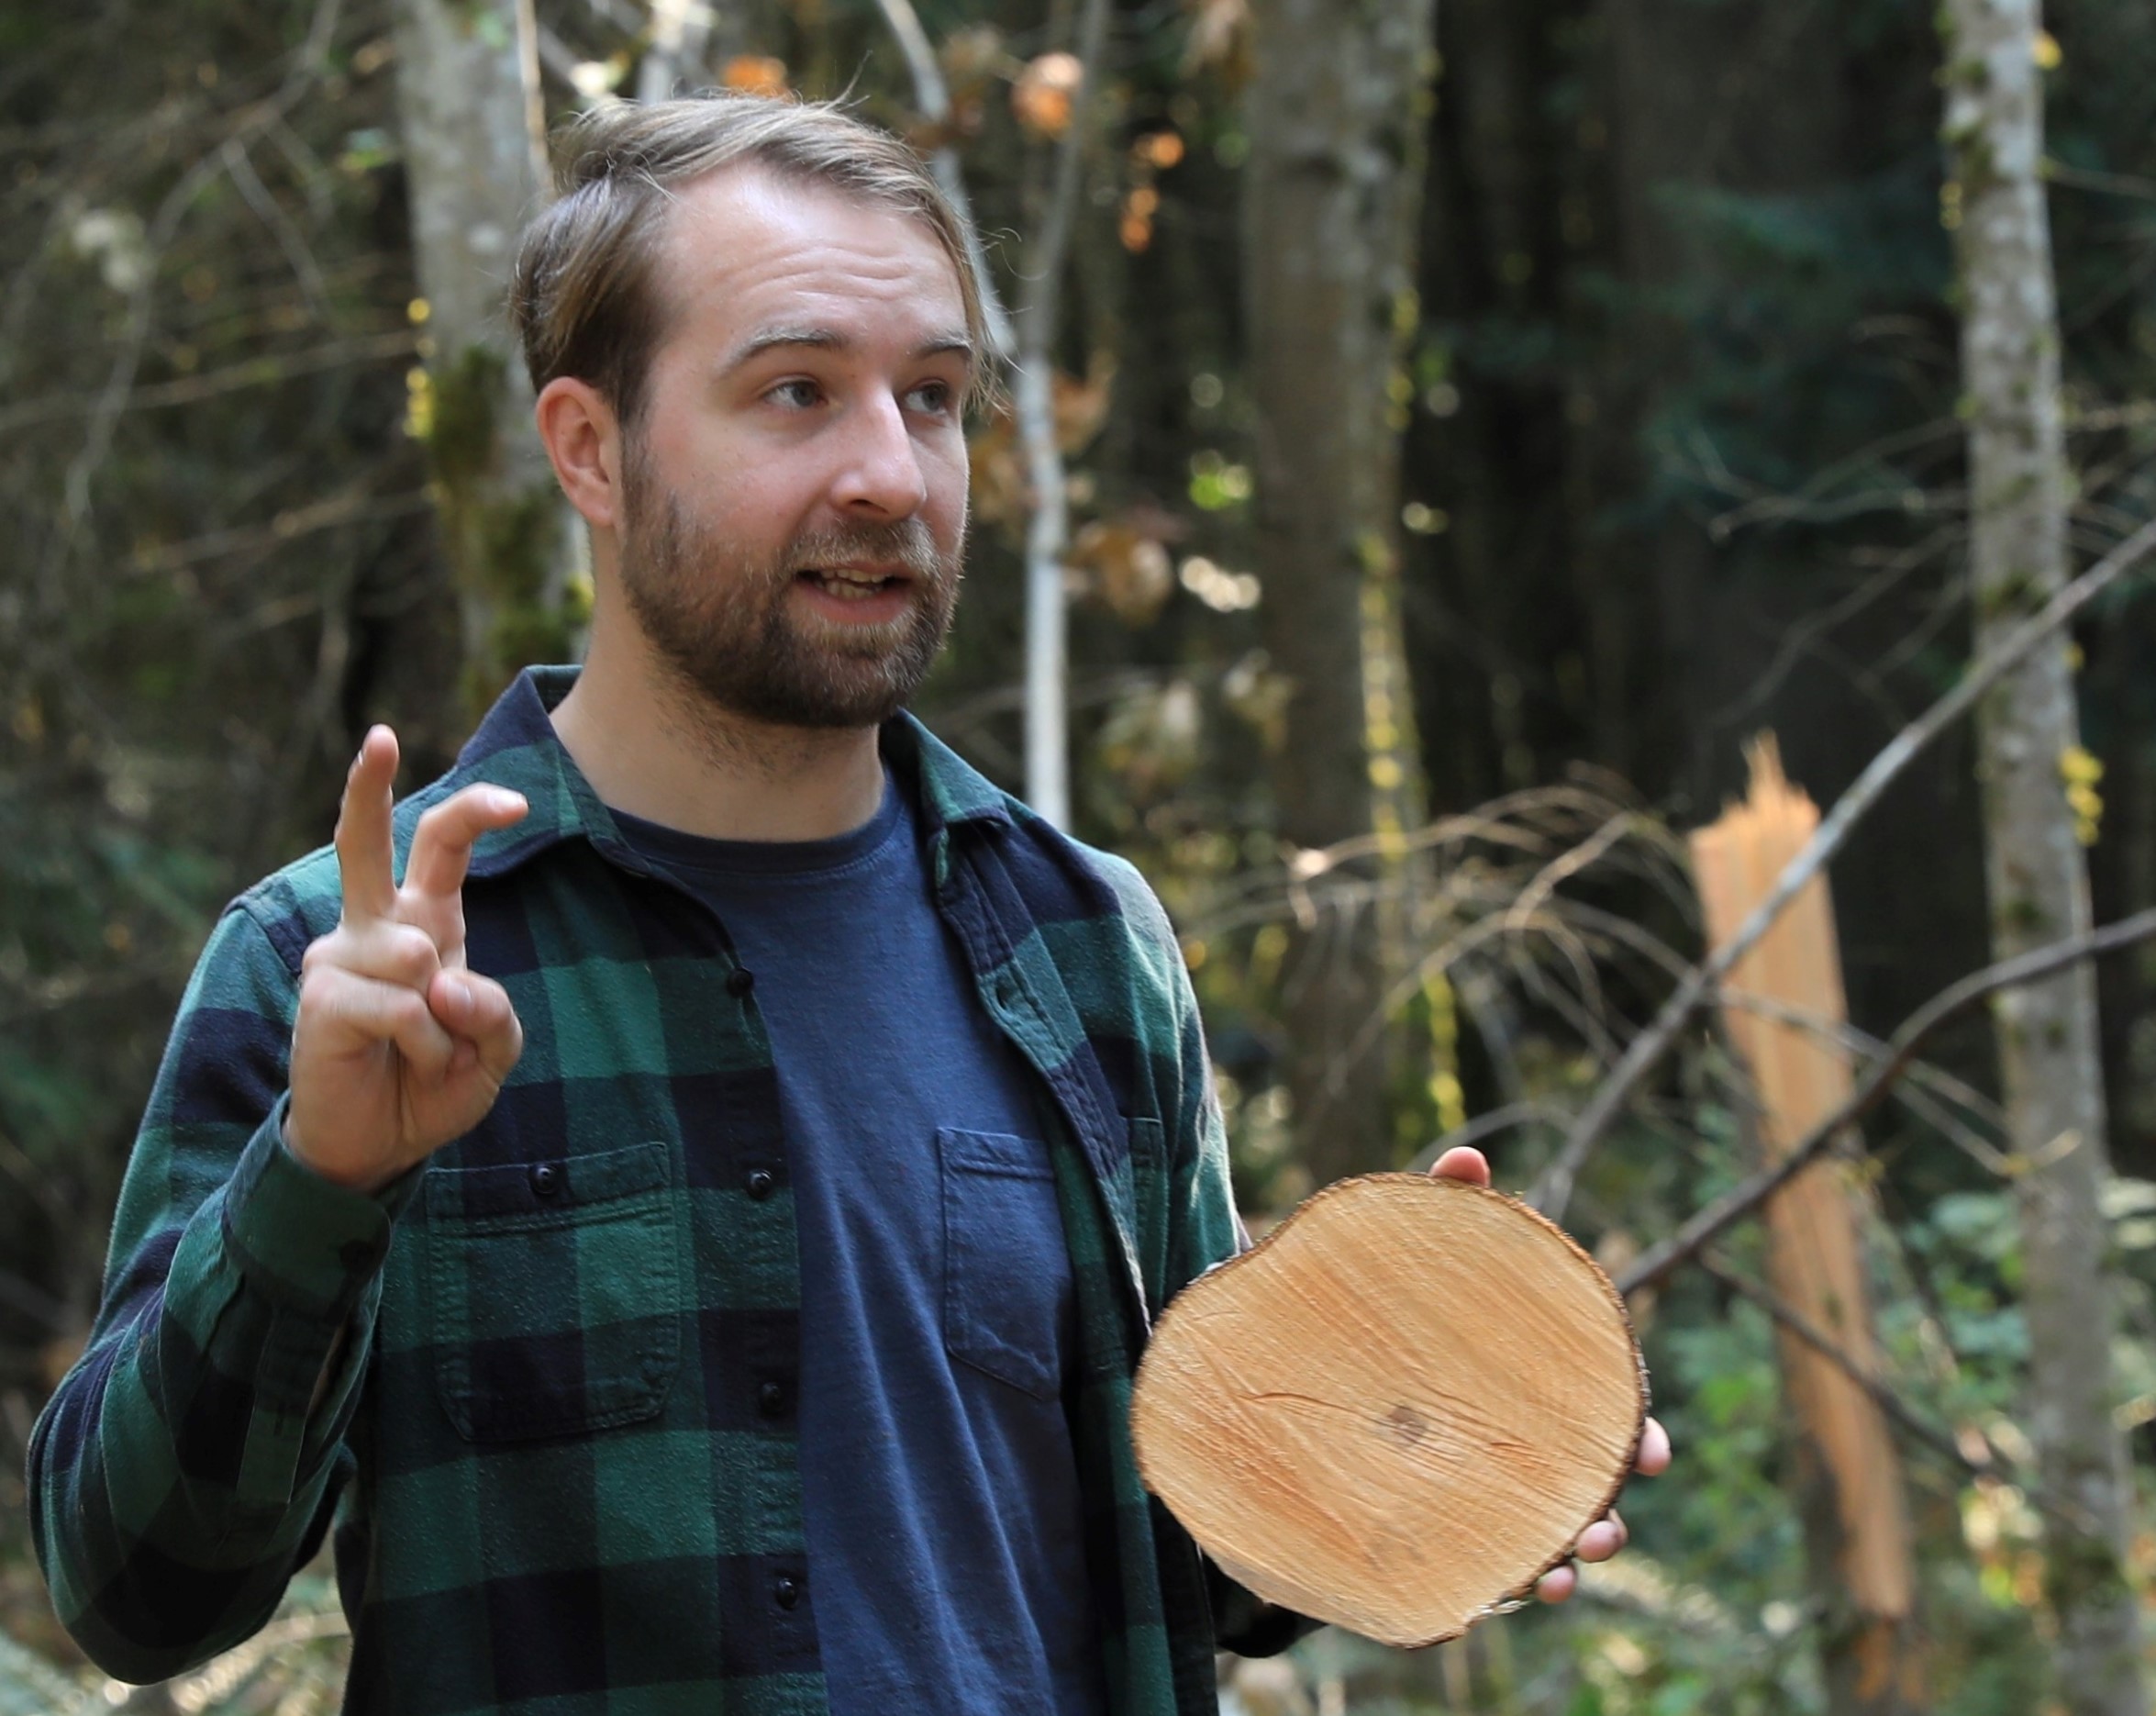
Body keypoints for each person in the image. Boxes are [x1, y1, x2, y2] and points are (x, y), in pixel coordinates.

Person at [28, 93, 1668, 1715]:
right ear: (590, 449)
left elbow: (1182, 1537)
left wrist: (1431, 1443)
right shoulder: (349, 968)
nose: (891, 472)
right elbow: (140, 1593)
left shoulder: (1082, 941)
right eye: (797, 392)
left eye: (936, 398)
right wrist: (320, 1182)